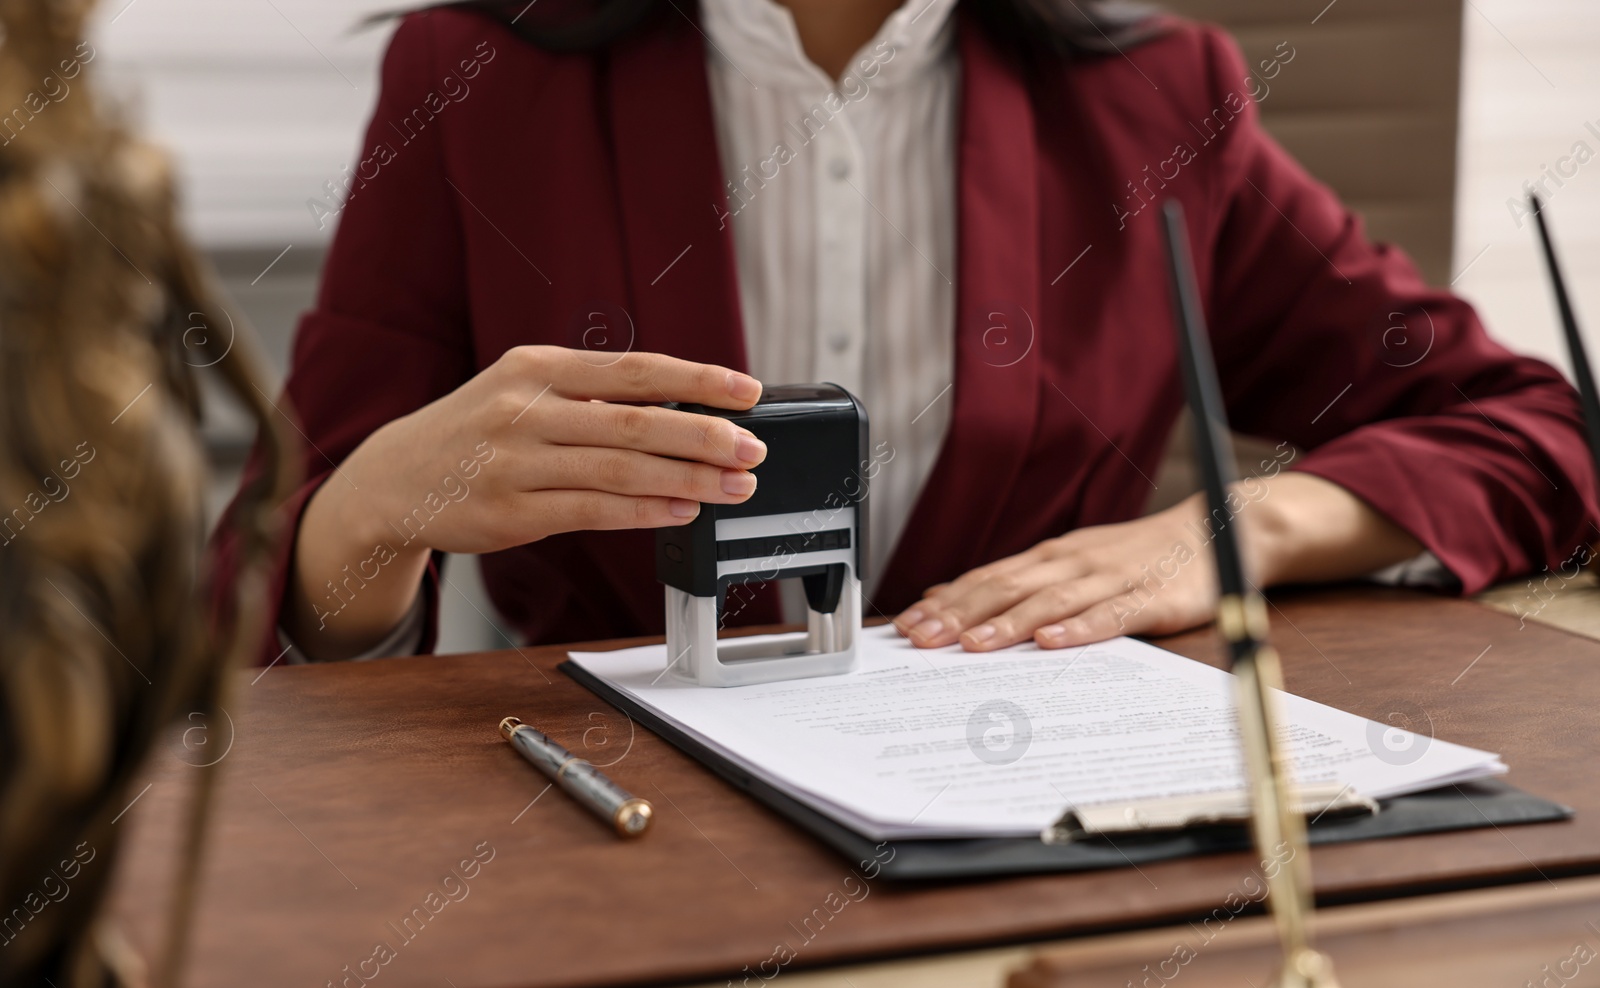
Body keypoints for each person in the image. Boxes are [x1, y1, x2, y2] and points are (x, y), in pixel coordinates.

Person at [215, 0, 1597, 664]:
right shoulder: (475, 75)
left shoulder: (1164, 97)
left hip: (1027, 842)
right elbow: (267, 581)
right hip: (602, 843)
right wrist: (380, 510)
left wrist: (1222, 536)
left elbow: (1535, 432)